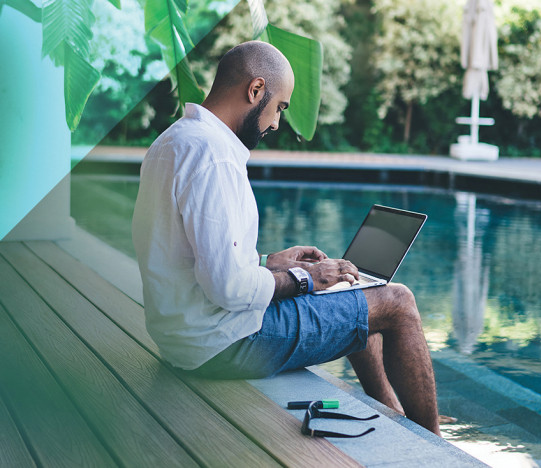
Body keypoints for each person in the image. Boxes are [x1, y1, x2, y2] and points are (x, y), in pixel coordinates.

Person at [132, 41, 440, 435]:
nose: (276, 123)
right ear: (255, 90)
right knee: (398, 302)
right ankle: (438, 446)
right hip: (224, 343)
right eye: (278, 107)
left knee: (353, 293)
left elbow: (192, 257)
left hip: (185, 337)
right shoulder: (215, 158)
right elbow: (228, 288)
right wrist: (308, 278)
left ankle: (392, 409)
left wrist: (271, 263)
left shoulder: (173, 141)